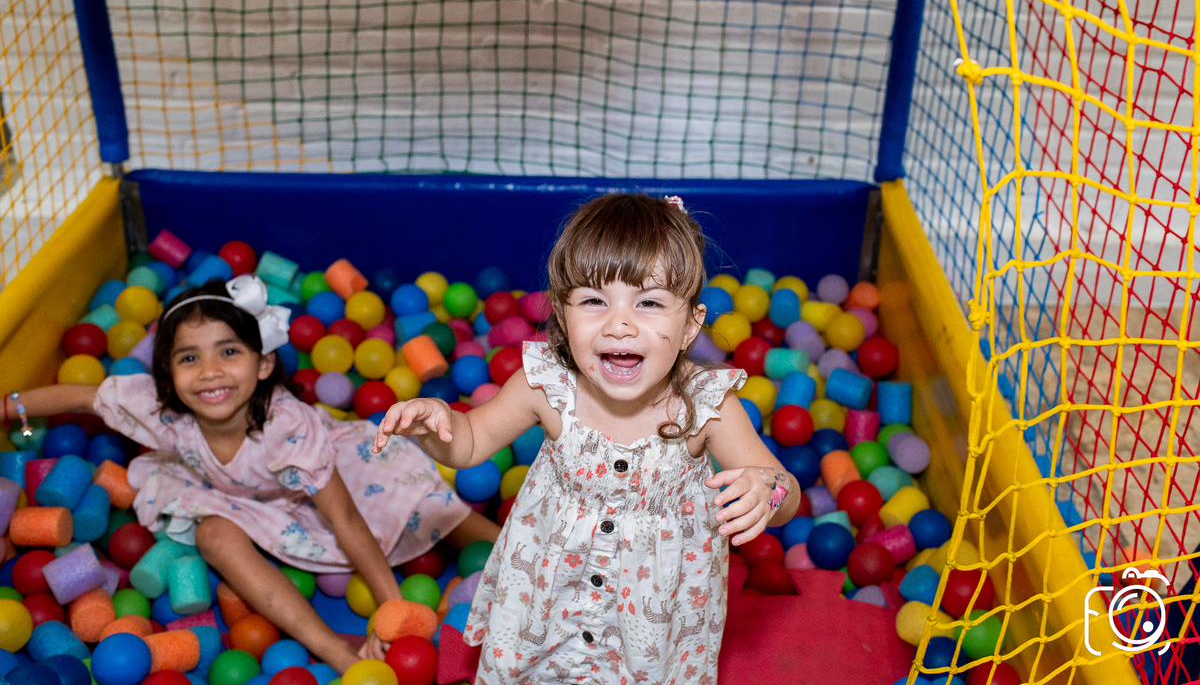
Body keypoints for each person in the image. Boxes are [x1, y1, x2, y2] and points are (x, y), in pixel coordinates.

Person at [372, 193, 802, 684]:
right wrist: (437, 424)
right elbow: (468, 443)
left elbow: (785, 488)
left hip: (652, 617)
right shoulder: (546, 385)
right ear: (561, 312)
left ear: (689, 326)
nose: (619, 323)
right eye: (595, 301)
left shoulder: (706, 406)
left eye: (650, 303)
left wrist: (767, 490)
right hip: (549, 598)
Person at [4, 274, 499, 673]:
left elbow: (346, 517)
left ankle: (527, 551)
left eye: (229, 351)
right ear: (167, 376)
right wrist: (10, 407)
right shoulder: (160, 408)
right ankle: (329, 648)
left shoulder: (289, 429)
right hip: (231, 494)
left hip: (335, 476)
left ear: (263, 364)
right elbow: (79, 396)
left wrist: (390, 611)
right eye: (189, 358)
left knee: (430, 509)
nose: (210, 371)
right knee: (213, 537)